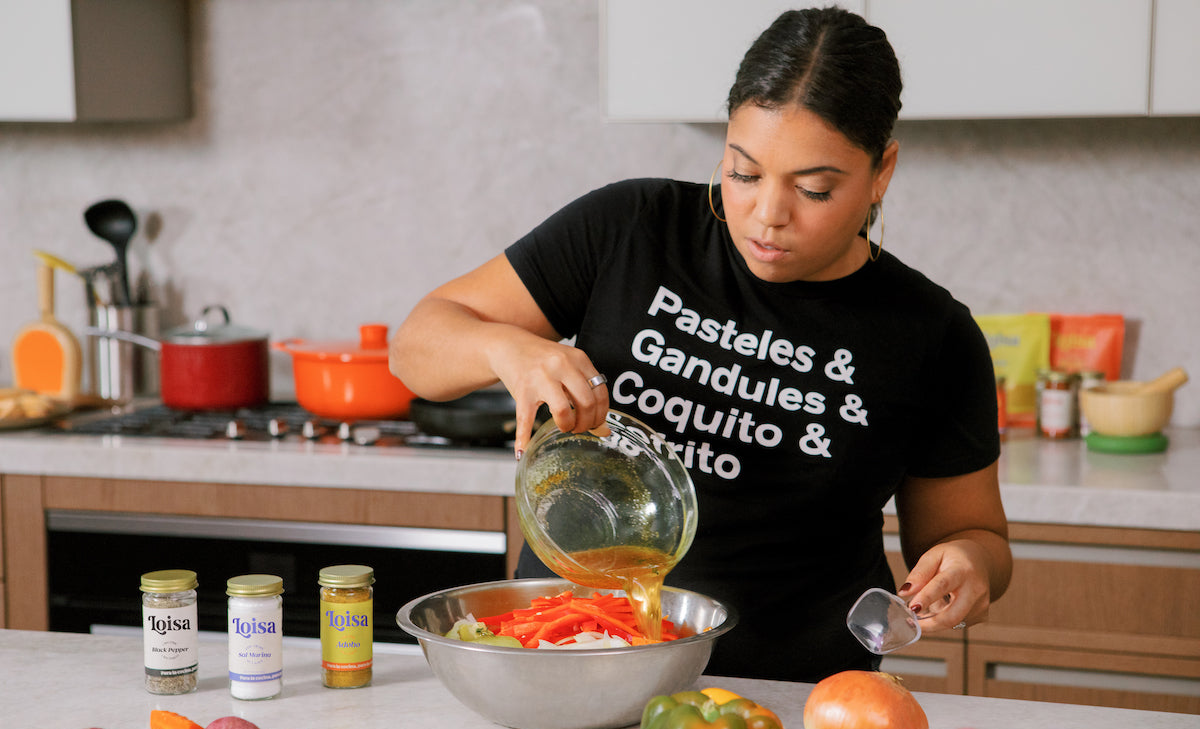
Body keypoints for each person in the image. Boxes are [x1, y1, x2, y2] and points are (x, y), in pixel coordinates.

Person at [390, 7, 1011, 682]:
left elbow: (976, 537)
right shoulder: (631, 229)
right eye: (743, 173)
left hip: (794, 693)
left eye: (815, 189)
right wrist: (506, 348)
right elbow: (417, 347)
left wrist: (972, 564)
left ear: (881, 172)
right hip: (571, 666)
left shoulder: (932, 335)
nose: (769, 214)